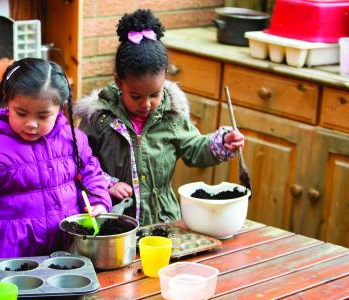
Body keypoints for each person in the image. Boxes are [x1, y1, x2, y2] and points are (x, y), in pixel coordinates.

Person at [76, 9, 245, 226]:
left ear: (165, 78)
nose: (146, 104)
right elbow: (79, 161)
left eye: (154, 95)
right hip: (116, 223)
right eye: (135, 96)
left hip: (163, 222)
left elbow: (195, 148)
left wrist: (222, 142)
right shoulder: (99, 119)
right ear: (119, 83)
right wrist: (107, 183)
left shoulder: (171, 116)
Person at [0, 58, 111, 259]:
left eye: (42, 116)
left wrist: (99, 202)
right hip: (10, 250)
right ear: (8, 102)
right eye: (21, 113)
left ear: (60, 108)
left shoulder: (73, 140)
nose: (31, 124)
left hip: (66, 243)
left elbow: (91, 175)